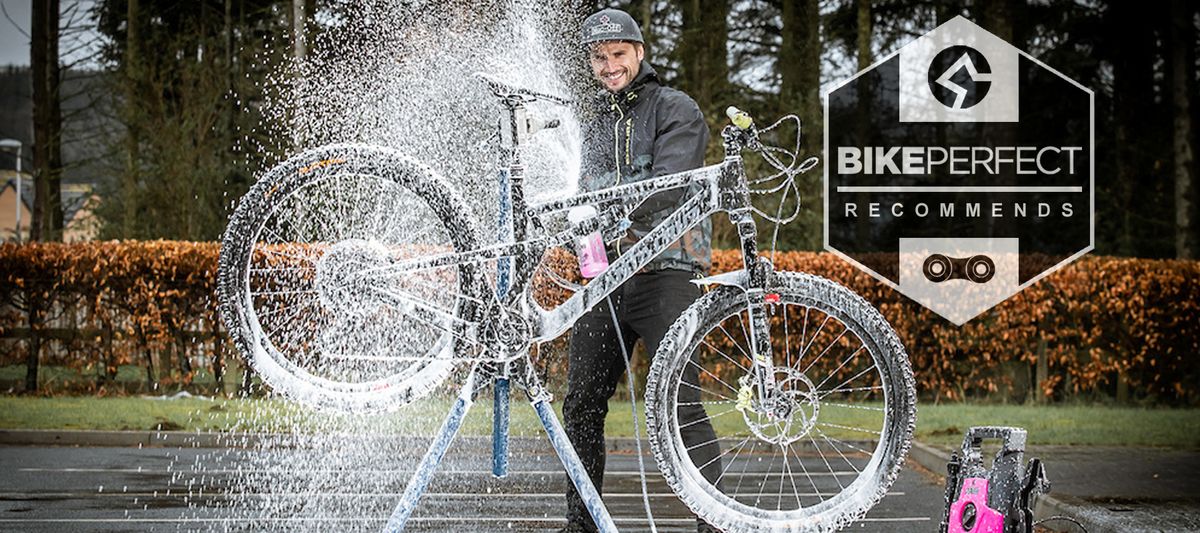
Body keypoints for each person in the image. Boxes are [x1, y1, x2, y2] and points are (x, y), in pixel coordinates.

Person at [560, 8, 722, 533]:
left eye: (618, 54)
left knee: (681, 403)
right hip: (602, 280)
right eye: (600, 58)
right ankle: (580, 525)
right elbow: (574, 198)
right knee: (581, 404)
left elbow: (669, 188)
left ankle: (713, 524)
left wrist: (603, 220)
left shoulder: (676, 108)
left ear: (639, 52)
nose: (609, 66)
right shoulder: (588, 123)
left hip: (668, 272)